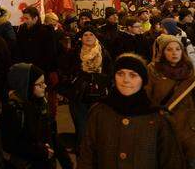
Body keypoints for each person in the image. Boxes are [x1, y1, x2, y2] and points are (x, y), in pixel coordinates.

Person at [78, 53, 184, 169]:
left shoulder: (158, 118)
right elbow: (87, 155)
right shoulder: (99, 112)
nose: (126, 80)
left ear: (142, 80)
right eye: (120, 74)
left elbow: (171, 161)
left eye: (133, 75)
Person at [1, 63, 72, 169]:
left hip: (45, 162)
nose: (45, 86)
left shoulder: (41, 103)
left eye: (44, 83)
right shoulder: (14, 110)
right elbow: (13, 145)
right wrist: (41, 151)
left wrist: (66, 162)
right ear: (26, 85)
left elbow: (51, 135)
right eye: (40, 84)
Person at [146, 34, 195, 168]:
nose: (174, 53)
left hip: (188, 127)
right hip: (164, 125)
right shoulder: (153, 70)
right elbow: (146, 98)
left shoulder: (189, 71)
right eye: (169, 49)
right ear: (162, 52)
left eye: (177, 49)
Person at [63, 29, 112, 147]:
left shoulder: (103, 53)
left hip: (99, 94)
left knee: (98, 125)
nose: (88, 37)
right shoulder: (74, 52)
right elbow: (66, 69)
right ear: (81, 37)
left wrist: (102, 82)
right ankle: (83, 151)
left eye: (91, 34)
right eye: (85, 35)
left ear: (96, 37)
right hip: (79, 94)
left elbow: (110, 72)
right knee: (82, 125)